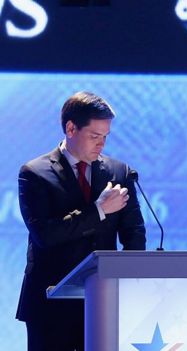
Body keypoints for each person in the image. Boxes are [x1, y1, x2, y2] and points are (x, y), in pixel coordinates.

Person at [16, 91, 146, 351]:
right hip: (51, 303)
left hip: (103, 302)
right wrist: (98, 211)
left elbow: (134, 232)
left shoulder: (118, 171)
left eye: (106, 137)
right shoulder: (35, 173)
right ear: (71, 128)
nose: (101, 145)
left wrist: (129, 281)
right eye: (94, 136)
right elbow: (45, 235)